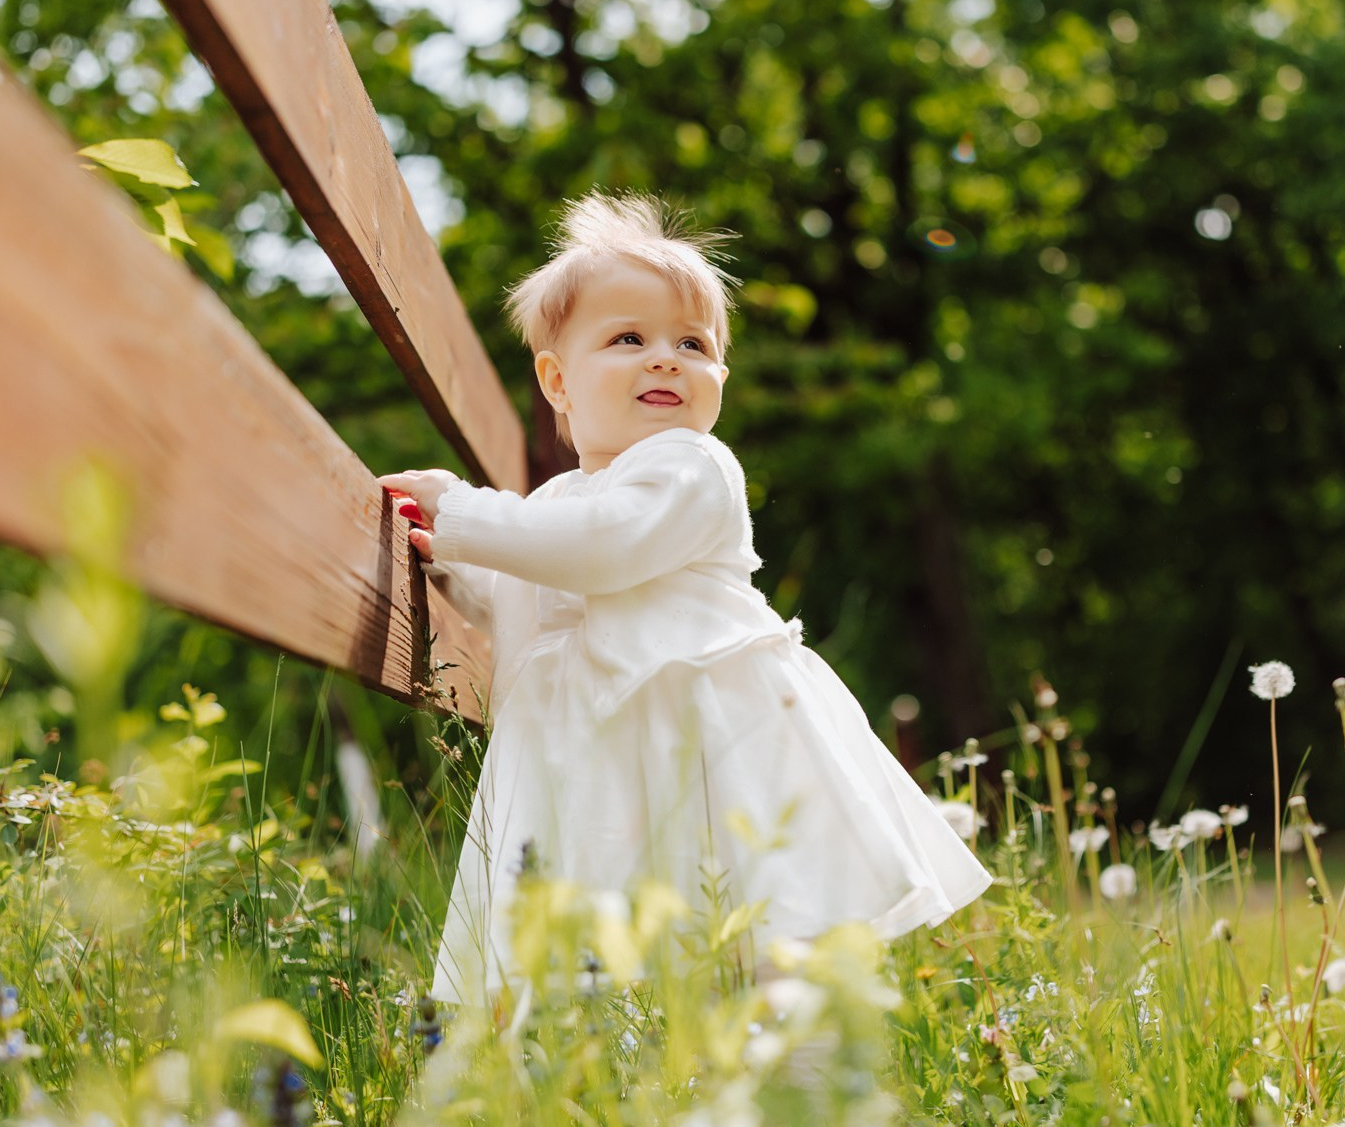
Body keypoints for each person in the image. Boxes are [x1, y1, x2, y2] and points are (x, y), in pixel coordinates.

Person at [378, 191, 993, 1008]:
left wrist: (462, 512)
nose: (665, 358)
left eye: (692, 344)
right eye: (627, 338)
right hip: (610, 761)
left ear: (720, 379)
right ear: (557, 380)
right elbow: (537, 582)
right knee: (606, 959)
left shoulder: (689, 466)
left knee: (764, 947)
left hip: (713, 754)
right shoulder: (561, 499)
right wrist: (454, 565)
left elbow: (604, 549)